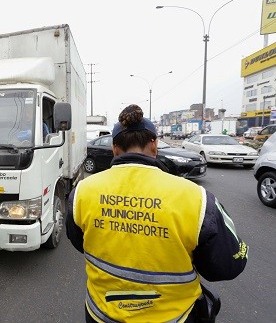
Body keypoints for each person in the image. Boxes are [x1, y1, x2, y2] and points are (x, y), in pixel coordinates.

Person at [65, 104, 248, 323]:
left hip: (101, 314)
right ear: (154, 145)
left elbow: (79, 241)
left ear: (115, 149)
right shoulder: (195, 197)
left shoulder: (82, 192)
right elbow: (228, 265)